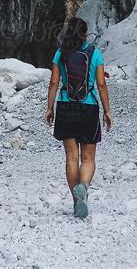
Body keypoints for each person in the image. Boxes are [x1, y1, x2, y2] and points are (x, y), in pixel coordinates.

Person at [45, 17, 112, 219]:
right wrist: (107, 111)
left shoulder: (60, 54)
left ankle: (77, 202)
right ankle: (83, 188)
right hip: (88, 108)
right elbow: (101, 85)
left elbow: (54, 83)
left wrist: (49, 108)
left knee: (71, 157)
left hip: (66, 107)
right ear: (84, 33)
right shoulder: (95, 54)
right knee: (88, 158)